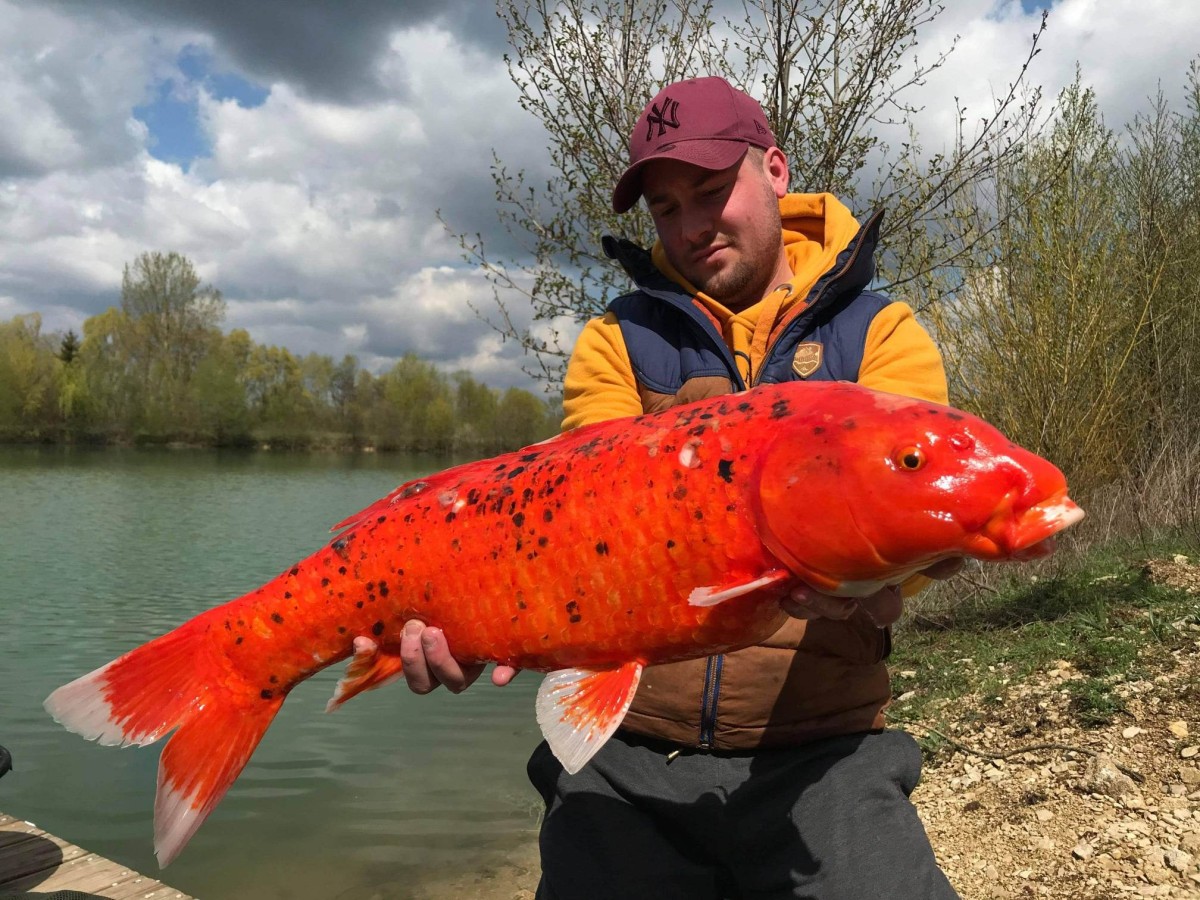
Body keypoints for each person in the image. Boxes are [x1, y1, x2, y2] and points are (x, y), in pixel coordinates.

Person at [402, 76, 961, 899]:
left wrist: (889, 583)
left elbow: (922, 506)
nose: (693, 225)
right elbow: (567, 529)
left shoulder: (878, 330)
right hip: (627, 751)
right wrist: (468, 610)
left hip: (822, 748)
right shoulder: (617, 340)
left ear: (774, 169)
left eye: (710, 191)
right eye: (666, 208)